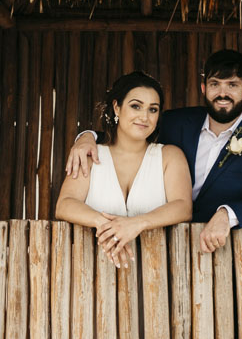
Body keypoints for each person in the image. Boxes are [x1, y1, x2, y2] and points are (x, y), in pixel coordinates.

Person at [66, 49, 242, 255]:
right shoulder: (176, 122)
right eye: (215, 84)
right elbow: (130, 134)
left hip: (226, 253)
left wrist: (227, 214)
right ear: (204, 88)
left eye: (232, 85)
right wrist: (88, 136)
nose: (222, 93)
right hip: (162, 249)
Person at [55, 71, 192, 267]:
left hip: (158, 271)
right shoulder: (91, 155)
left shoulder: (170, 156)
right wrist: (107, 225)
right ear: (117, 107)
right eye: (136, 106)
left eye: (153, 109)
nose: (144, 117)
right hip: (89, 270)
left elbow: (183, 207)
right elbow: (65, 204)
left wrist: (137, 223)